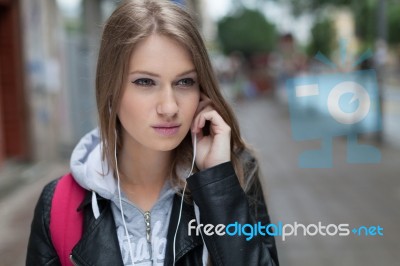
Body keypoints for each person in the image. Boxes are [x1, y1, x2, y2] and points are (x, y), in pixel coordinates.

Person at [26, 0, 279, 265]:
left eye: (185, 82)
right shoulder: (58, 205)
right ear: (110, 88)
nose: (169, 107)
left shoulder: (236, 174)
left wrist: (218, 184)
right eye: (145, 82)